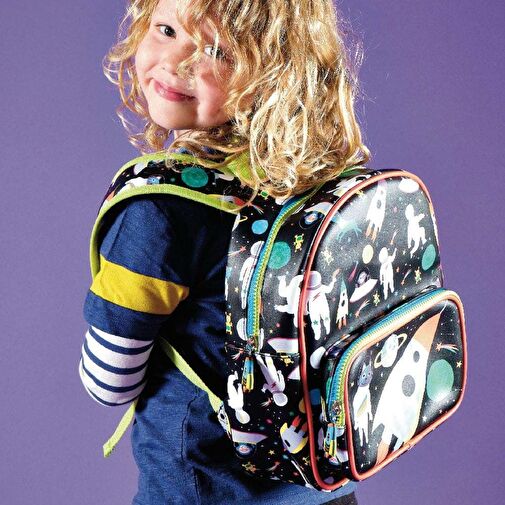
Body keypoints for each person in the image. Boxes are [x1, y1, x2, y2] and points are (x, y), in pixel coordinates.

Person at [79, 0, 370, 503]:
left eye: (216, 51)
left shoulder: (159, 211)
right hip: (323, 481)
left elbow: (109, 382)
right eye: (166, 30)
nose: (177, 62)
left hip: (203, 489)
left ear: (274, 74)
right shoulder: (313, 181)